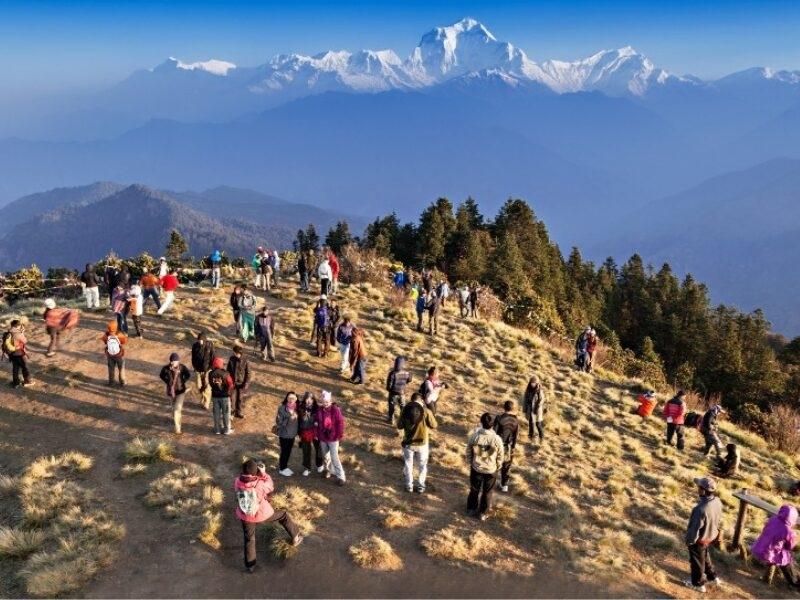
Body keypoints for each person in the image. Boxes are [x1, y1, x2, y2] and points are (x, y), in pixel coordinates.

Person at [235, 458, 303, 573]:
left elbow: (247, 483)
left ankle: (250, 566)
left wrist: (257, 474)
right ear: (255, 472)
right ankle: (295, 537)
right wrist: (264, 473)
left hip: (245, 514)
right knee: (283, 515)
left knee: (249, 539)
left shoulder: (237, 481)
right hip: (262, 514)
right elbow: (270, 487)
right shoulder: (259, 483)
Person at [684, 477, 723, 592]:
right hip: (710, 536)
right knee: (705, 556)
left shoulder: (700, 509)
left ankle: (698, 584)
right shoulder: (717, 501)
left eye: (699, 487)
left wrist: (689, 541)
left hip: (700, 540)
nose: (697, 489)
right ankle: (713, 577)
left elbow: (694, 530)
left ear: (703, 491)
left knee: (697, 562)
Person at [751, 504, 800, 589]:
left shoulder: (772, 519)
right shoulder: (788, 530)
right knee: (787, 559)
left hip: (760, 547)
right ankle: (794, 582)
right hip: (770, 554)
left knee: (782, 550)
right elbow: (790, 546)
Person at [466, 413, 504, 521]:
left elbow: (468, 450)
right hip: (491, 470)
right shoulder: (497, 439)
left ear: (481, 422)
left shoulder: (475, 436)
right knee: (488, 492)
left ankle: (471, 509)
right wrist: (498, 466)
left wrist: (470, 462)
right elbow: (501, 455)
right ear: (493, 425)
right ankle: (483, 512)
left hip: (476, 468)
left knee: (474, 489)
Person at [397, 392, 437, 493]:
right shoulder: (426, 411)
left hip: (408, 443)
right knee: (422, 465)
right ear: (421, 400)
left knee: (408, 464)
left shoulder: (405, 410)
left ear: (412, 400)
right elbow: (434, 425)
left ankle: (409, 486)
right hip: (422, 443)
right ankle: (420, 486)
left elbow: (399, 426)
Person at [315, 390, 345, 485]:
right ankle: (328, 470)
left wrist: (339, 435)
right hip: (323, 437)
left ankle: (341, 476)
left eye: (327, 402)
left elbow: (340, 422)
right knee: (325, 456)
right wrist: (317, 434)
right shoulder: (319, 410)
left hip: (333, 438)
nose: (325, 404)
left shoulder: (335, 410)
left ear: (330, 401)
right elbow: (316, 423)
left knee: (334, 457)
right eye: (323, 402)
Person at [159, 352, 191, 434]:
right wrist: (167, 382)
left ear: (178, 361)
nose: (173, 363)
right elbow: (161, 375)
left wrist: (183, 381)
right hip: (171, 392)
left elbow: (188, 375)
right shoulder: (166, 368)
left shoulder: (182, 368)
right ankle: (176, 420)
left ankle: (177, 429)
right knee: (174, 409)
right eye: (172, 361)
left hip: (180, 391)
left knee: (177, 409)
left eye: (175, 361)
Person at [494, 400, 519, 493]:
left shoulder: (499, 418)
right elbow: (516, 435)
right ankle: (504, 485)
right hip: (509, 446)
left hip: (498, 445)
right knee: (506, 466)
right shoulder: (516, 420)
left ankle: (491, 482)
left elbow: (494, 433)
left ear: (504, 407)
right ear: (512, 408)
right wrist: (513, 447)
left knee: (495, 464)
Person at [297, 392, 323, 477]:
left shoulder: (318, 408)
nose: (309, 401)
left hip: (316, 432)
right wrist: (299, 433)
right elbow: (297, 421)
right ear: (304, 399)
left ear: (313, 400)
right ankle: (307, 468)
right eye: (307, 398)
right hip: (304, 432)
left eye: (311, 399)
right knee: (306, 450)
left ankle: (319, 464)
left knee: (318, 448)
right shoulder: (300, 408)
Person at [275, 392, 299, 476]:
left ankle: (285, 466)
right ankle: (282, 468)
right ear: (287, 398)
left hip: (292, 434)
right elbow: (278, 421)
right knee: (284, 451)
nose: (291, 399)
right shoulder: (281, 408)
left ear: (296, 399)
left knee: (288, 451)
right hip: (284, 434)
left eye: (293, 398)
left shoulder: (298, 408)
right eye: (289, 398)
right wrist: (289, 419)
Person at [208, 356, 234, 435]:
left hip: (215, 396)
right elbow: (231, 384)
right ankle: (226, 430)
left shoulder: (210, 373)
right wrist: (229, 392)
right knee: (226, 413)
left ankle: (217, 430)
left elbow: (211, 384)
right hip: (224, 396)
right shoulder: (225, 373)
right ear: (221, 364)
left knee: (216, 413)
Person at [4, 320, 33, 388]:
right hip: (19, 353)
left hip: (11, 353)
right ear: (18, 326)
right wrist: (22, 333)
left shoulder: (9, 332)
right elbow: (25, 341)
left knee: (15, 367)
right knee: (25, 367)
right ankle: (27, 381)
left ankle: (16, 383)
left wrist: (21, 331)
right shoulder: (18, 334)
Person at [191, 332, 215, 410]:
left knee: (207, 386)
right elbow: (193, 357)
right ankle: (203, 397)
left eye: (201, 340)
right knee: (199, 385)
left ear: (204, 340)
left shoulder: (210, 345)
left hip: (207, 369)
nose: (200, 341)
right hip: (198, 369)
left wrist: (210, 368)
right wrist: (194, 367)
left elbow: (213, 357)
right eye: (199, 340)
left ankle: (207, 402)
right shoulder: (195, 346)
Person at [385, 356, 413, 423]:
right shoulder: (407, 373)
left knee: (392, 406)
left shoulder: (392, 373)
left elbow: (389, 385)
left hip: (393, 393)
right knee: (402, 407)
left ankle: (391, 419)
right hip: (402, 393)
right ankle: (403, 420)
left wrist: (389, 390)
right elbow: (409, 380)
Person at [227, 343, 251, 420]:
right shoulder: (231, 359)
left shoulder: (245, 361)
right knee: (232, 398)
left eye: (234, 352)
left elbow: (248, 373)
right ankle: (232, 413)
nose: (233, 353)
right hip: (233, 383)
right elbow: (228, 371)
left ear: (238, 353)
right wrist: (228, 381)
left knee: (240, 399)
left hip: (241, 383)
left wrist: (246, 383)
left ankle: (239, 412)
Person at [102, 321, 127, 386]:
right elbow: (124, 341)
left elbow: (104, 341)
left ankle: (111, 382)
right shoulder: (119, 335)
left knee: (111, 369)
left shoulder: (106, 335)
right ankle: (122, 381)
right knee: (121, 368)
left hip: (110, 355)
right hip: (119, 355)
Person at [522, 376, 546, 442]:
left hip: (537, 410)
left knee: (538, 424)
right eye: (532, 382)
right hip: (529, 409)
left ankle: (542, 437)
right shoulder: (528, 389)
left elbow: (541, 400)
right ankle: (531, 436)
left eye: (534, 382)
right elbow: (525, 399)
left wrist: (537, 407)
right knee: (531, 423)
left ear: (537, 383)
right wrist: (524, 409)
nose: (533, 384)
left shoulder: (539, 391)